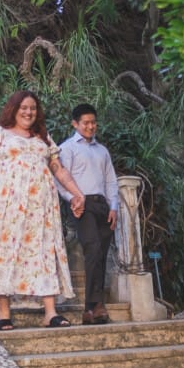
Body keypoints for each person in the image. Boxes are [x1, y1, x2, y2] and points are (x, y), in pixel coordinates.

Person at [0, 91, 86, 329]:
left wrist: (77, 194)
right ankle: (3, 313)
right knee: (4, 253)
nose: (29, 112)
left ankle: (50, 312)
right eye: (24, 107)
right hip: (7, 206)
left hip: (41, 209)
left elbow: (58, 170)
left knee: (43, 252)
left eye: (33, 108)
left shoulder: (43, 137)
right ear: (14, 108)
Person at [59, 103, 119, 325]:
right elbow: (61, 180)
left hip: (102, 204)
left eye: (93, 122)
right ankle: (93, 305)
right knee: (92, 247)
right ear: (75, 124)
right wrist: (73, 199)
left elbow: (111, 181)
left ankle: (93, 307)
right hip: (81, 205)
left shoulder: (102, 151)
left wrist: (114, 207)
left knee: (101, 253)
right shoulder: (67, 148)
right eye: (85, 123)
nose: (90, 126)